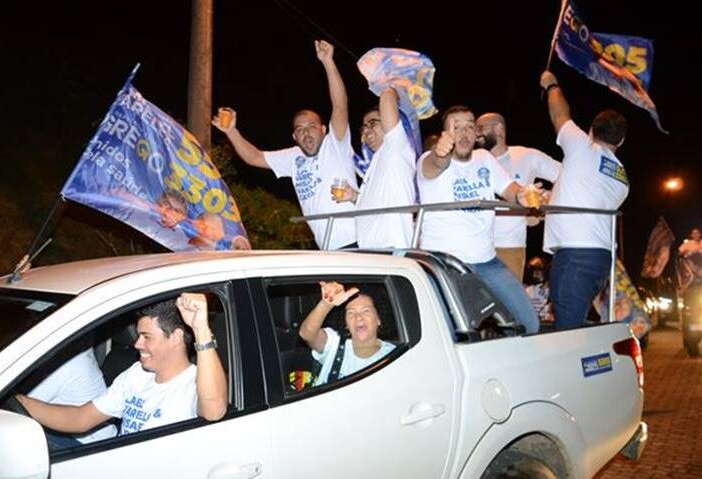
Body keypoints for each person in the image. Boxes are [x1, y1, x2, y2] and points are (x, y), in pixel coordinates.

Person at [212, 40, 358, 250]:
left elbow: (340, 105)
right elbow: (254, 157)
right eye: (300, 129)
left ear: (323, 129)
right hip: (327, 249)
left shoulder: (335, 145)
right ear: (294, 136)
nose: (306, 132)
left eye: (312, 126)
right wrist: (231, 131)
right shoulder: (293, 157)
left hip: (355, 242)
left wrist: (328, 62)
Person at [16, 293, 228, 436]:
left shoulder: (194, 383)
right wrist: (19, 403)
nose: (137, 344)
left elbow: (214, 410)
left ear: (175, 337)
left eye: (146, 336)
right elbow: (81, 418)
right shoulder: (137, 374)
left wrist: (201, 329)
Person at [417, 105, 539, 334]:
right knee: (452, 332)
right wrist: (440, 152)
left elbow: (509, 188)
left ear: (476, 133)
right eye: (456, 127)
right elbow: (434, 164)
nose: (463, 133)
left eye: (469, 127)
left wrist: (522, 195)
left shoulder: (484, 158)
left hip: (487, 261)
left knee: (529, 324)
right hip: (445, 263)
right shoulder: (428, 158)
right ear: (445, 133)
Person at [540, 70, 630, 330]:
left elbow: (559, 114)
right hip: (601, 256)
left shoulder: (582, 146)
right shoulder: (623, 177)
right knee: (577, 322)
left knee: (568, 331)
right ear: (621, 141)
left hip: (575, 255)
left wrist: (551, 84)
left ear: (590, 131)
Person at [476, 112, 561, 279]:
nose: (476, 134)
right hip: (473, 246)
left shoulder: (527, 156)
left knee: (508, 305)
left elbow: (567, 179)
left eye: (480, 128)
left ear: (499, 129)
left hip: (509, 247)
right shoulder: (473, 160)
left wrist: (542, 208)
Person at [335, 88, 415, 248]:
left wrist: (394, 89)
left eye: (373, 123)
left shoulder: (395, 148)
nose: (366, 130)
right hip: (371, 251)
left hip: (391, 250)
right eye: (364, 127)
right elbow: (377, 204)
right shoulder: (378, 161)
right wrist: (355, 197)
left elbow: (386, 99)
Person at [298, 281, 394, 386]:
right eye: (351, 312)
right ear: (346, 324)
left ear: (379, 319)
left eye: (366, 311)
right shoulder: (335, 343)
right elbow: (306, 334)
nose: (358, 317)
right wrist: (326, 304)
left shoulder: (394, 355)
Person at [27, 347, 118, 446]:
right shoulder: (76, 353)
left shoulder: (67, 364)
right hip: (86, 434)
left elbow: (22, 405)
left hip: (88, 443)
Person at [523, 256, 554, 324]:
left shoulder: (554, 291)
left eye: (538, 271)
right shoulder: (528, 290)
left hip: (549, 326)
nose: (535, 275)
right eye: (533, 272)